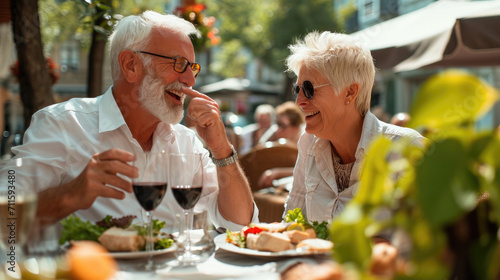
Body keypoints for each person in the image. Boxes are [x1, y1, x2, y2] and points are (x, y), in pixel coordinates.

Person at [0, 11, 257, 231]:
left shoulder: (186, 142)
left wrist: (222, 150)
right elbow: (5, 213)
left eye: (193, 67)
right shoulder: (63, 124)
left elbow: (240, 224)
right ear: (131, 65)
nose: (190, 79)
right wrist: (71, 195)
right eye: (179, 64)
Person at [283, 31, 424, 226]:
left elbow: (430, 237)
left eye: (309, 89)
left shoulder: (405, 147)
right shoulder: (308, 143)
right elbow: (292, 220)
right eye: (297, 89)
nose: (299, 101)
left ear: (350, 92)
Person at [257, 101, 305, 188]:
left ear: (297, 126)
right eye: (277, 124)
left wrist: (277, 172)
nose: (278, 129)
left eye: (282, 125)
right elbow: (259, 147)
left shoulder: (307, 140)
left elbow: (306, 171)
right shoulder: (275, 131)